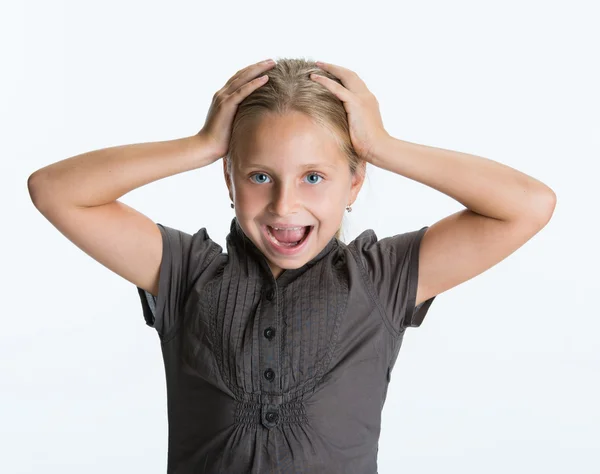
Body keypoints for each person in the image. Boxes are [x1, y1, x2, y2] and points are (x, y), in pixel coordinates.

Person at [27, 57, 556, 473]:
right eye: (259, 177)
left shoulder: (381, 279)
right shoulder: (187, 273)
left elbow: (528, 206)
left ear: (354, 182)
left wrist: (383, 145)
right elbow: (54, 191)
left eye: (313, 177)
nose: (284, 205)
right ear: (229, 181)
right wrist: (201, 145)